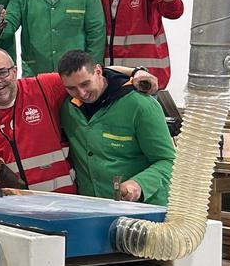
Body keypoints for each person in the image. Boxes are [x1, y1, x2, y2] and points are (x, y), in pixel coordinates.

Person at [0, 49, 157, 194]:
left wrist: (135, 72)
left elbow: (89, 74)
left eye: (2, 72)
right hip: (7, 206)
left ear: (15, 70)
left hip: (61, 201)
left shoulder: (43, 87)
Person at [58, 50, 175, 205]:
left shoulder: (140, 106)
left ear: (98, 71)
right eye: (71, 88)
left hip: (143, 211)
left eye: (85, 84)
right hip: (93, 209)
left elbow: (168, 161)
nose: (82, 93)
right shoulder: (68, 109)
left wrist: (139, 184)